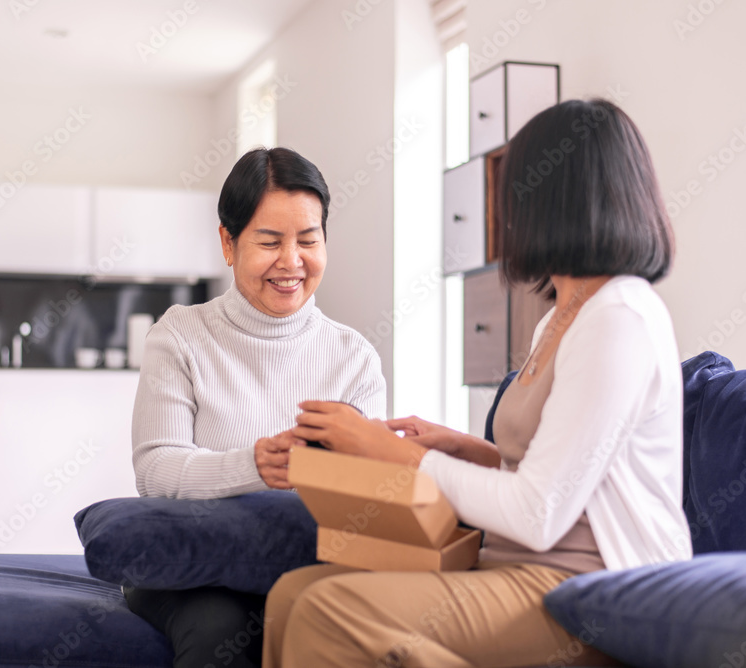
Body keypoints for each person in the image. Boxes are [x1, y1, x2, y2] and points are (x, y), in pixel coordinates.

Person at [264, 98, 691, 668]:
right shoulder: (559, 319)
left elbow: (538, 512)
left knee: (329, 611)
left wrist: (399, 456)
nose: (504, 213)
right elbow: (561, 472)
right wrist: (466, 449)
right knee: (291, 596)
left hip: (592, 592)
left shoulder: (619, 319)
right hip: (518, 566)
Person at [126, 147, 387, 668]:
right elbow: (155, 471)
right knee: (222, 631)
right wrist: (255, 466)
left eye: (308, 240)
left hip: (305, 560)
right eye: (269, 242)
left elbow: (367, 493)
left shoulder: (353, 356)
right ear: (228, 242)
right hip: (194, 566)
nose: (291, 261)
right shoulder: (180, 336)